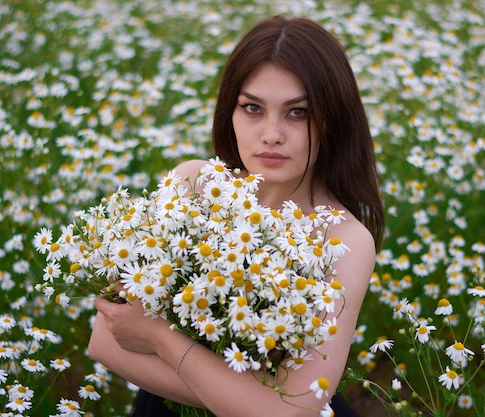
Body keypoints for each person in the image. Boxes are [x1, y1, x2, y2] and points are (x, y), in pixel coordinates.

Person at [88, 15, 384, 417]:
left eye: (298, 113)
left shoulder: (344, 239)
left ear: (332, 120)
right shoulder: (193, 184)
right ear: (230, 111)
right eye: (252, 108)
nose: (271, 134)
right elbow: (104, 341)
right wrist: (248, 398)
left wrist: (159, 337)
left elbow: (290, 412)